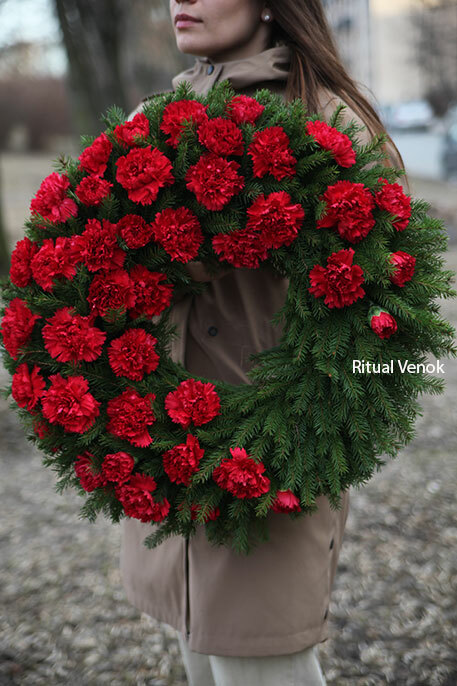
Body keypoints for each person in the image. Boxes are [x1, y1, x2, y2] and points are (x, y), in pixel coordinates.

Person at [120, 2, 408, 685]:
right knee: (201, 656)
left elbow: (389, 324)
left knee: (265, 664)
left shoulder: (330, 127)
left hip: (271, 469)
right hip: (168, 456)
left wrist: (314, 435)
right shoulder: (151, 123)